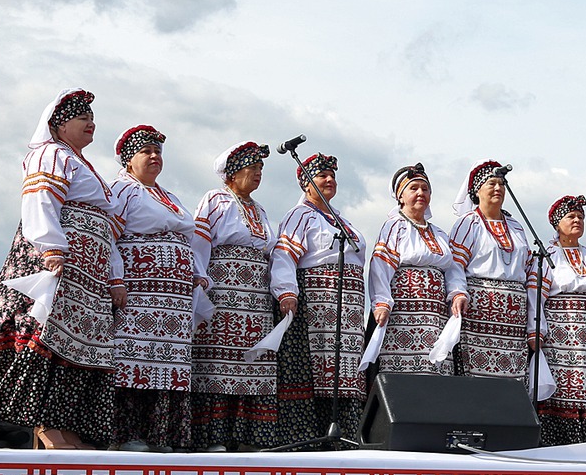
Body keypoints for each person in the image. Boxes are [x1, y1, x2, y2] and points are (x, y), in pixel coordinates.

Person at [0, 88, 121, 449]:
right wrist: (51, 247)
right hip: (58, 264)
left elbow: (105, 225)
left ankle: (65, 425)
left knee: (75, 347)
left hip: (86, 274)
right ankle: (46, 426)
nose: (91, 124)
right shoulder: (50, 154)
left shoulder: (80, 162)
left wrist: (113, 275)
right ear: (58, 125)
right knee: (47, 338)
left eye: (92, 118)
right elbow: (40, 201)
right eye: (82, 118)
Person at [108, 126, 199, 451]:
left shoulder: (170, 196)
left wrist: (197, 273)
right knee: (136, 359)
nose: (154, 156)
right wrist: (116, 279)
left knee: (169, 364)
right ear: (128, 159)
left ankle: (162, 435)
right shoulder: (122, 190)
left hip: (173, 303)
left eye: (158, 151)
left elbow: (187, 238)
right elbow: (109, 237)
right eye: (146, 151)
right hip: (139, 296)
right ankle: (128, 435)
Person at [271, 152, 367, 447]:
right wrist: (287, 291)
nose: (329, 180)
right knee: (317, 369)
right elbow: (284, 254)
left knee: (344, 371)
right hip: (318, 305)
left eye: (332, 175)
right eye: (322, 175)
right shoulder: (300, 215)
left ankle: (346, 436)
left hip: (348, 310)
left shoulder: (341, 219)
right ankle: (311, 438)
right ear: (305, 182)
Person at [191, 140, 278, 451]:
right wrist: (200, 279)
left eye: (261, 168)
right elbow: (199, 244)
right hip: (224, 295)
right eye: (252, 168)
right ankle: (213, 438)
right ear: (233, 173)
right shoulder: (215, 200)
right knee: (219, 363)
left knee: (252, 364)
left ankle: (245, 438)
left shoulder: (260, 210)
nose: (258, 173)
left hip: (255, 300)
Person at [533, 194, 586, 446]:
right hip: (560, 337)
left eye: (581, 216)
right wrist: (536, 329)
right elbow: (536, 294)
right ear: (557, 223)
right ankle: (558, 447)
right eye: (571, 216)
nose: (577, 220)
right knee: (563, 391)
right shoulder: (547, 255)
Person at [446, 160, 535, 386]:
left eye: (502, 184)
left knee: (511, 382)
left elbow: (528, 269)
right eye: (492, 183)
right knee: (477, 383)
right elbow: (455, 265)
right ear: (477, 190)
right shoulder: (468, 223)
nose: (498, 188)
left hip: (513, 322)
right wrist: (458, 293)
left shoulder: (516, 226)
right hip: (478, 316)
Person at [367, 163, 458, 374]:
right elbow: (380, 265)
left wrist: (457, 293)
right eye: (414, 188)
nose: (420, 193)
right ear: (400, 196)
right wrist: (381, 302)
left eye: (425, 189)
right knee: (405, 372)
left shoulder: (440, 234)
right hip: (404, 315)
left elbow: (453, 269)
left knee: (434, 368)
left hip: (436, 316)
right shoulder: (394, 226)